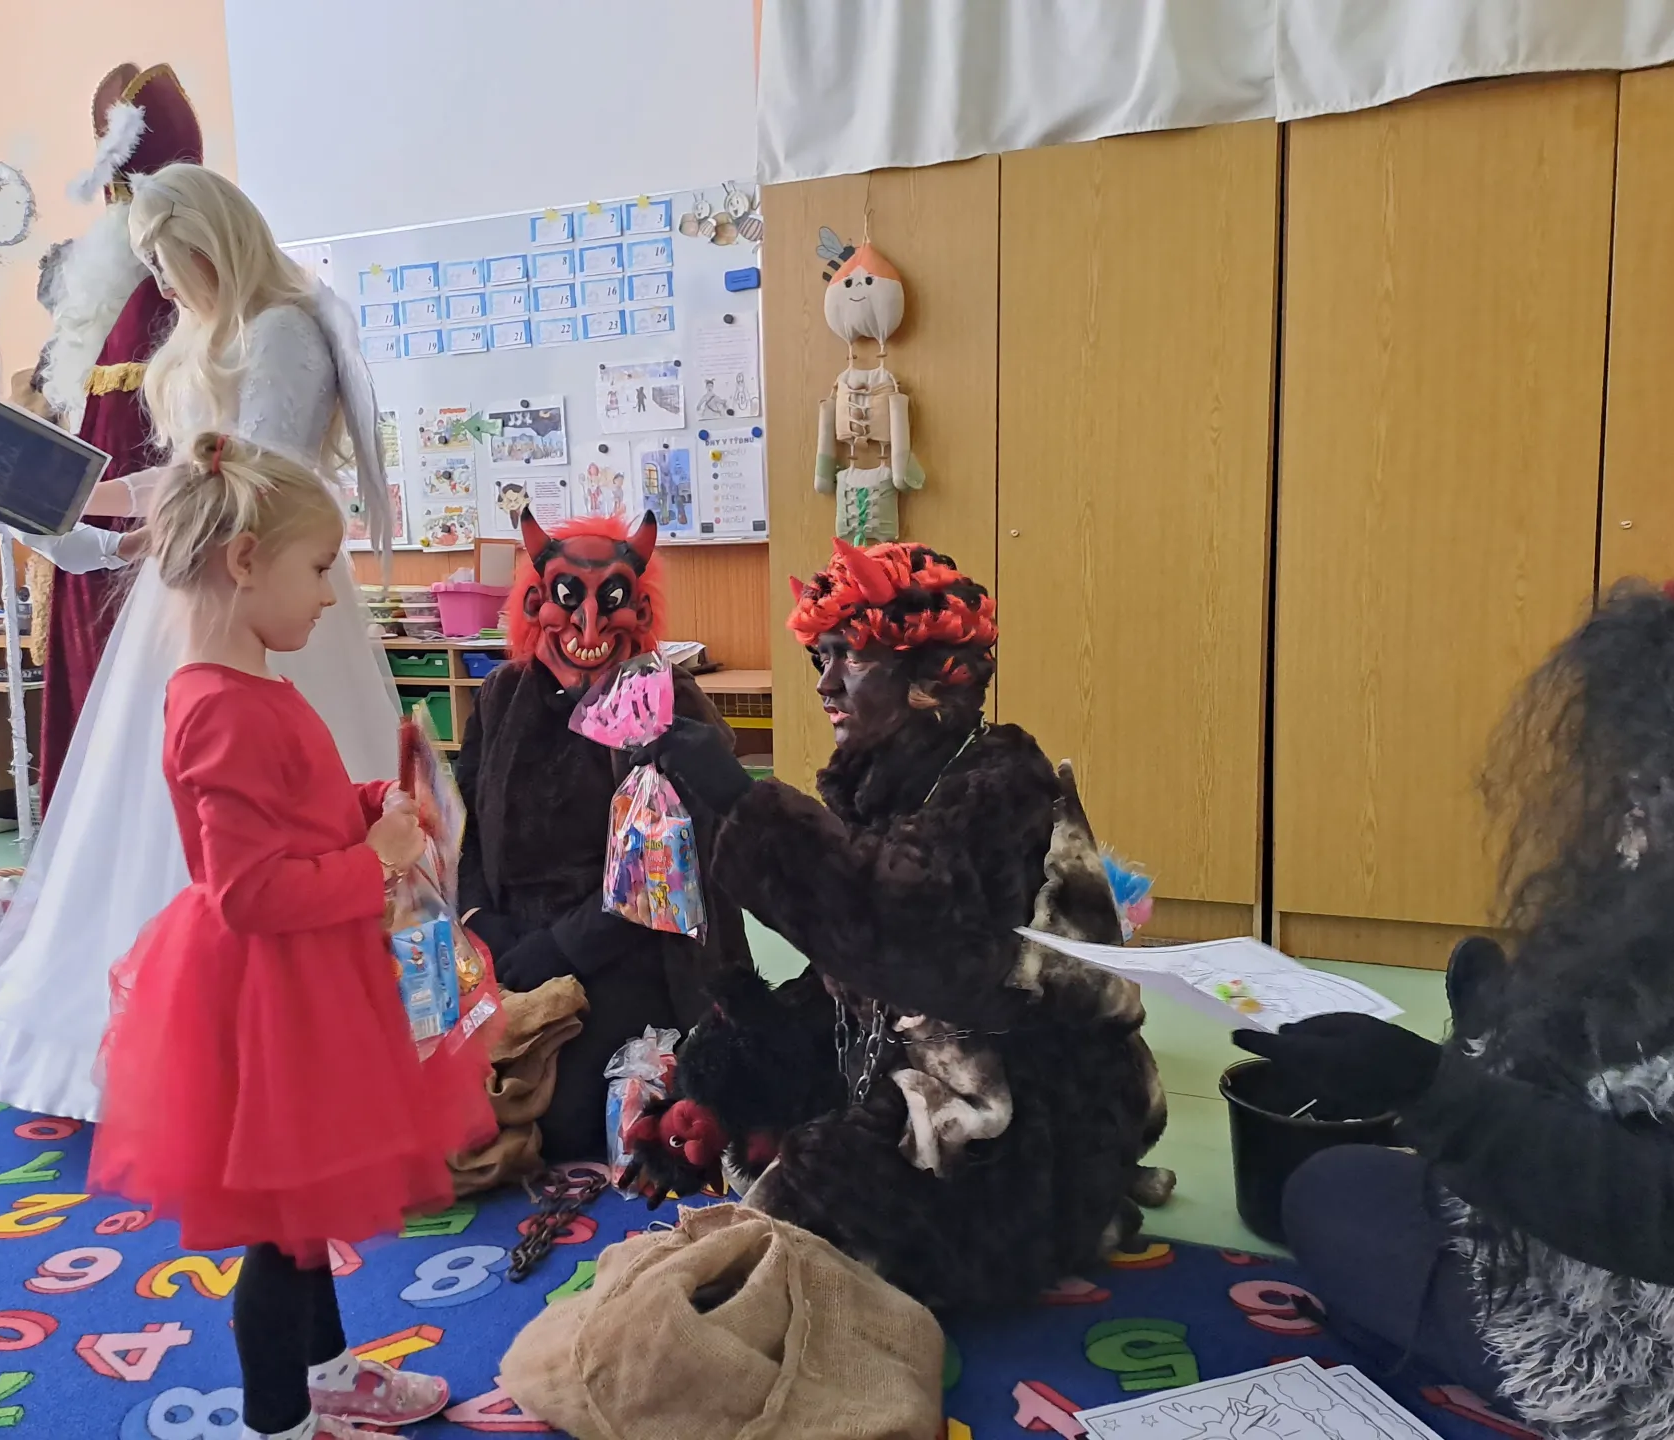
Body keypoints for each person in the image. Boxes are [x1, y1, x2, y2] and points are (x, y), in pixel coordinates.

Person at [1246, 578, 1674, 1440]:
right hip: (1600, 1258)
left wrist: (1436, 1092)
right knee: (1336, 1184)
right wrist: (1498, 1036)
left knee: (1334, 1204)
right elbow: (1622, 1096)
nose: (1633, 791)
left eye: (1672, 767)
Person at [622, 538, 1173, 1310]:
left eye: (851, 657)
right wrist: (717, 1086)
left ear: (932, 676)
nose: (826, 683)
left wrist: (741, 798)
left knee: (795, 1235)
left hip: (1031, 1096)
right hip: (911, 1055)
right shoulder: (882, 781)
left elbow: (904, 936)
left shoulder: (1000, 786)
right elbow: (843, 977)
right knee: (738, 1085)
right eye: (821, 657)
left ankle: (1072, 1214)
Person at [0, 163, 401, 1121]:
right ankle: (180, 1032)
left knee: (274, 797)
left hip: (266, 589)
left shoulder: (282, 330)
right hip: (204, 594)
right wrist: (87, 508)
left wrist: (120, 519)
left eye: (169, 262)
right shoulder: (206, 334)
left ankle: (288, 1044)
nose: (162, 284)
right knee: (169, 805)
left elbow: (262, 487)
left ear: (214, 245)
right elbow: (191, 480)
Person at [89, 432, 492, 1440]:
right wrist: (380, 863)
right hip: (272, 992)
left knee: (302, 1215)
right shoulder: (221, 707)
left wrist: (366, 803)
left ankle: (330, 1372)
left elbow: (290, 813)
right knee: (279, 1236)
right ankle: (279, 1421)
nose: (326, 596)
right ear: (243, 562)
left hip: (304, 977)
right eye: (318, 569)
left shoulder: (247, 685)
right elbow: (251, 893)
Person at [454, 510, 752, 1162]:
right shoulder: (502, 694)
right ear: (534, 604)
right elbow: (464, 824)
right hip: (508, 945)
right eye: (567, 599)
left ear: (639, 610)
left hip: (628, 950)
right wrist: (480, 922)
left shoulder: (665, 702)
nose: (587, 626)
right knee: (454, 1105)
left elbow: (668, 874)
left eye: (610, 600)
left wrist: (561, 946)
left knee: (569, 1122)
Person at [17, 61, 203, 810]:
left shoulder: (148, 310)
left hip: (137, 568)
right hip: (102, 549)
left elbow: (138, 464)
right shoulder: (115, 308)